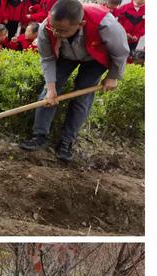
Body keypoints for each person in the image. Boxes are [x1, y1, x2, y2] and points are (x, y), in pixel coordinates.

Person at [19, 0, 129, 163]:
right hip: (65, 55)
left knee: (83, 95)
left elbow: (120, 53)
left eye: (62, 30)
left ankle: (67, 141)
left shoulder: (106, 24)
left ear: (81, 24)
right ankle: (39, 135)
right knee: (48, 92)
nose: (56, 32)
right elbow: (48, 58)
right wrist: (51, 88)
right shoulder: (46, 27)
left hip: (95, 58)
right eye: (54, 28)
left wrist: (113, 76)